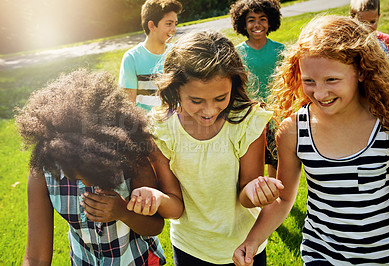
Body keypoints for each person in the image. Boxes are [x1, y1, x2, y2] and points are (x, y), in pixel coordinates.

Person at [233, 15, 389, 265]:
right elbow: (284, 198)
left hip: (387, 253)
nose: (319, 93)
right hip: (322, 254)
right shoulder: (293, 131)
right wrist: (252, 241)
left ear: (362, 72)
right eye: (309, 81)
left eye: (332, 80)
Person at [127, 31, 284, 265]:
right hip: (190, 248)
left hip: (244, 245)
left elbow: (245, 195)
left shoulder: (248, 121)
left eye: (221, 98)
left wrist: (256, 191)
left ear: (234, 83)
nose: (209, 111)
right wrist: (157, 198)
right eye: (197, 101)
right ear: (175, 88)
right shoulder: (160, 130)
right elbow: (175, 208)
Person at [17, 69, 166, 265]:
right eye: (75, 175)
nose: (86, 182)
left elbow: (155, 226)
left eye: (92, 173)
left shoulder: (133, 157)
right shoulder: (43, 168)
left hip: (137, 260)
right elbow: (36, 257)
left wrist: (123, 212)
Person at [230, 0, 285, 178]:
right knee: (251, 162)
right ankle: (253, 197)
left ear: (270, 22)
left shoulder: (281, 50)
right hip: (249, 116)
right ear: (243, 25)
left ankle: (276, 197)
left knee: (276, 160)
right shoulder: (236, 53)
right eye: (251, 20)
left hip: (276, 116)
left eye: (262, 19)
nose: (257, 24)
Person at [119, 0, 182, 111]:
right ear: (152, 25)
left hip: (174, 124)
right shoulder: (131, 58)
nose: (174, 29)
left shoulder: (177, 52)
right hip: (147, 125)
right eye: (169, 23)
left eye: (175, 24)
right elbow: (129, 104)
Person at [350, 0, 389, 72]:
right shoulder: (348, 44)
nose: (367, 27)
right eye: (362, 22)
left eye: (372, 22)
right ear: (351, 19)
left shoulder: (388, 42)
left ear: (378, 17)